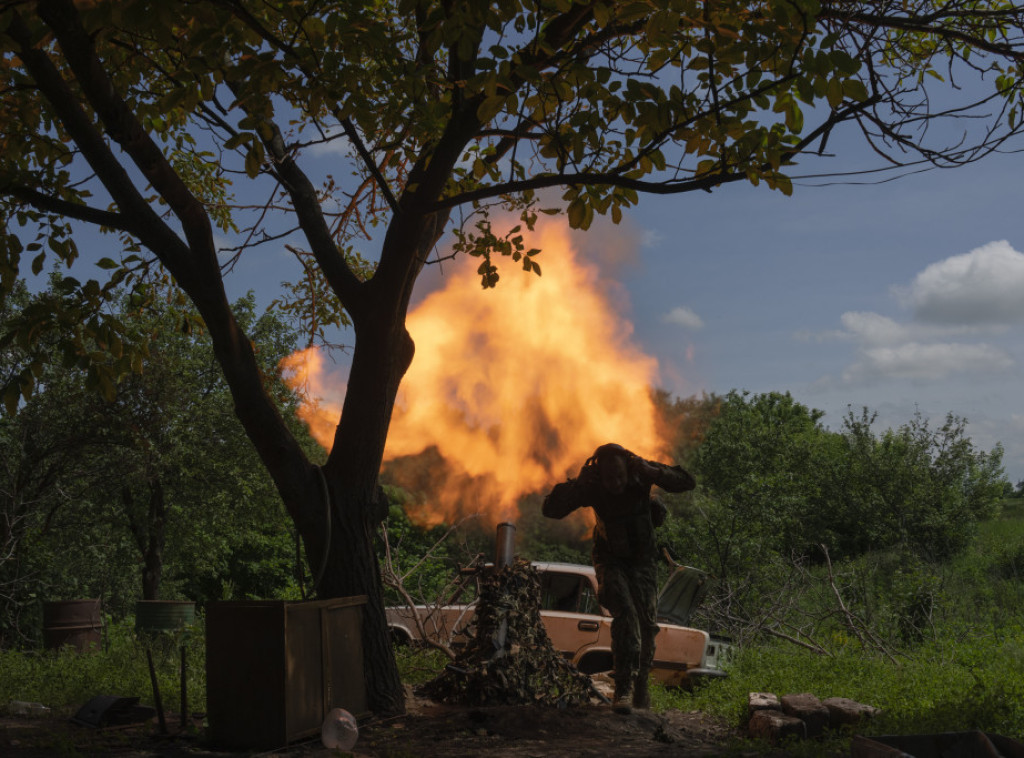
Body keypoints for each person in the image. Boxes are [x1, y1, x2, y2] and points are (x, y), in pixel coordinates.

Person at [542, 443, 696, 713]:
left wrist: (653, 472)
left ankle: (641, 686)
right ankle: (623, 689)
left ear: (628, 470)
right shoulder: (592, 485)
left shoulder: (640, 474)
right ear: (600, 475)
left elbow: (686, 482)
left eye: (619, 477)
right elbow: (551, 509)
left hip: (643, 561)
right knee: (625, 614)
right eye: (609, 478)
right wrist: (577, 484)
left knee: (647, 626)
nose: (615, 483)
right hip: (609, 558)